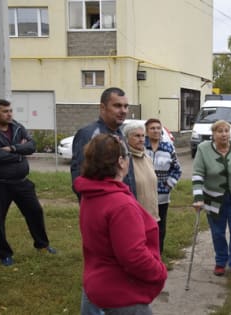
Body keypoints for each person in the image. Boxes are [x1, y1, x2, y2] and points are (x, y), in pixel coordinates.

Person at [74, 134, 167, 315]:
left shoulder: (93, 193)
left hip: (97, 284)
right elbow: (134, 257)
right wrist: (160, 272)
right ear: (121, 162)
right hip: (122, 295)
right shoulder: (120, 204)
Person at [71, 87, 136, 315]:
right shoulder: (90, 134)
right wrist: (97, 213)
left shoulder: (120, 135)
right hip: (104, 216)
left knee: (116, 269)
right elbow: (80, 177)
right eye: (117, 106)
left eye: (126, 106)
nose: (123, 111)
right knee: (101, 268)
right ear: (102, 107)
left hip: (121, 211)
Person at [0, 99, 56, 266]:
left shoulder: (17, 127)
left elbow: (32, 146)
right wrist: (20, 152)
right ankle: (4, 254)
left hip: (21, 182)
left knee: (35, 211)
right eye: (5, 111)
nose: (9, 114)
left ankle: (42, 245)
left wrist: (13, 149)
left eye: (10, 110)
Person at [192, 120, 231, 278]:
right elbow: (198, 174)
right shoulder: (203, 149)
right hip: (213, 199)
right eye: (220, 131)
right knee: (218, 233)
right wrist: (198, 197)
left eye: (226, 131)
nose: (224, 134)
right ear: (213, 134)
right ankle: (220, 261)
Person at [144, 118, 182, 254]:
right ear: (146, 131)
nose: (156, 131)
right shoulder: (141, 146)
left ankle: (157, 255)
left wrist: (168, 185)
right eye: (152, 128)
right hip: (143, 196)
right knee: (143, 226)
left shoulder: (168, 147)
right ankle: (145, 254)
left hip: (162, 196)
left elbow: (177, 169)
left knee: (160, 227)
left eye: (158, 128)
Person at [123, 121, 159, 221]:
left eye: (143, 136)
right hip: (134, 218)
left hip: (152, 216)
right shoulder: (124, 161)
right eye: (137, 136)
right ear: (127, 138)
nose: (141, 139)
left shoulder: (147, 158)